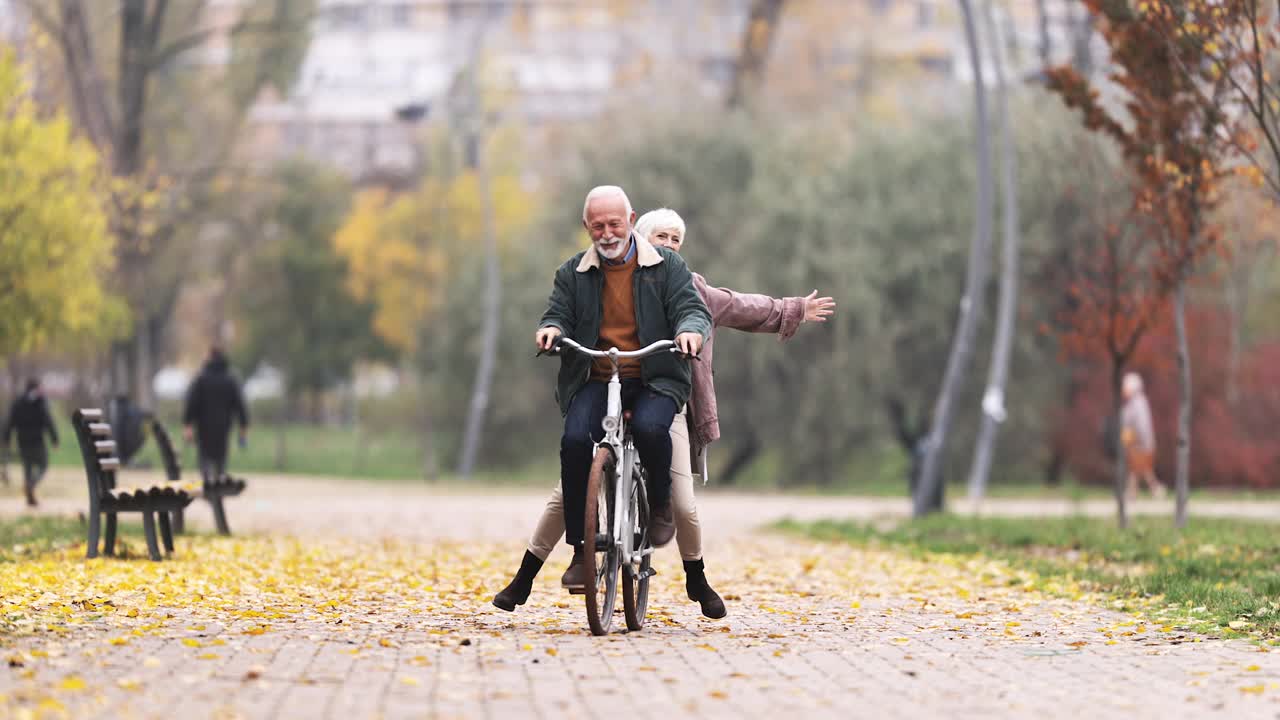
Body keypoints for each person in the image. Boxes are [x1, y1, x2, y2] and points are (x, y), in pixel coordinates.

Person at [495, 208, 835, 618]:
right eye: (661, 236)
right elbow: (569, 311)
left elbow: (741, 306)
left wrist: (792, 309)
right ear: (638, 237)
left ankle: (696, 576)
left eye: (676, 239)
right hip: (610, 389)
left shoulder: (686, 285)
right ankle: (525, 577)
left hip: (664, 398)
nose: (669, 245)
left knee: (683, 503)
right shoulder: (605, 277)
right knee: (571, 491)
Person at [532, 186, 712, 592]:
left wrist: (688, 333)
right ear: (587, 227)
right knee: (575, 442)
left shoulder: (668, 266)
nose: (608, 233)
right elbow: (557, 311)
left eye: (615, 223)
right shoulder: (572, 272)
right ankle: (581, 551)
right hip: (596, 378)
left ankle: (661, 506)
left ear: (631, 221)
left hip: (655, 377)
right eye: (598, 226)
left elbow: (692, 309)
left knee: (651, 428)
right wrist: (551, 329)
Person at [183, 348, 249, 485]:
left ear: (209, 358)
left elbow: (192, 403)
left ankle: (206, 480)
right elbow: (240, 405)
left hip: (204, 426)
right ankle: (219, 480)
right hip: (223, 425)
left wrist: (188, 425)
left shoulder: (201, 378)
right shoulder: (230, 379)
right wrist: (243, 426)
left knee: (204, 455)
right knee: (221, 454)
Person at [4, 379, 59, 507]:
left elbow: (10, 422)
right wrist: (54, 439)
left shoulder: (18, 403)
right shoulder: (40, 403)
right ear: (36, 388)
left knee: (27, 468)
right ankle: (31, 486)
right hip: (37, 441)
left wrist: (6, 439)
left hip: (22, 441)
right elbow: (48, 421)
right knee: (43, 465)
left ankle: (30, 495)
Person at [1121, 372, 1166, 500]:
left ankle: (1150, 490)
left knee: (1141, 468)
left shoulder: (1138, 404)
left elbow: (1141, 425)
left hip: (1140, 442)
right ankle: (1136, 492)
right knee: (1138, 469)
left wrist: (1138, 440)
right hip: (1134, 441)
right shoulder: (1132, 404)